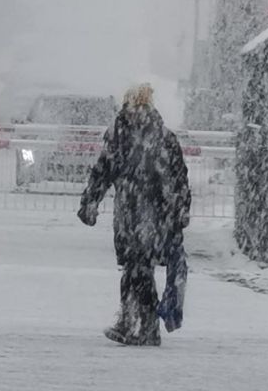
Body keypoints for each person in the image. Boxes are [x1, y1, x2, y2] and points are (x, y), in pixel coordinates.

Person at [77, 83, 191, 346]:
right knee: (138, 269)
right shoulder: (158, 137)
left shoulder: (128, 136)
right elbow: (179, 180)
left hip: (141, 215)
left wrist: (90, 202)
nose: (136, 109)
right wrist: (180, 213)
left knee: (136, 269)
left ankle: (133, 322)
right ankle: (141, 325)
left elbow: (103, 171)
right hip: (146, 216)